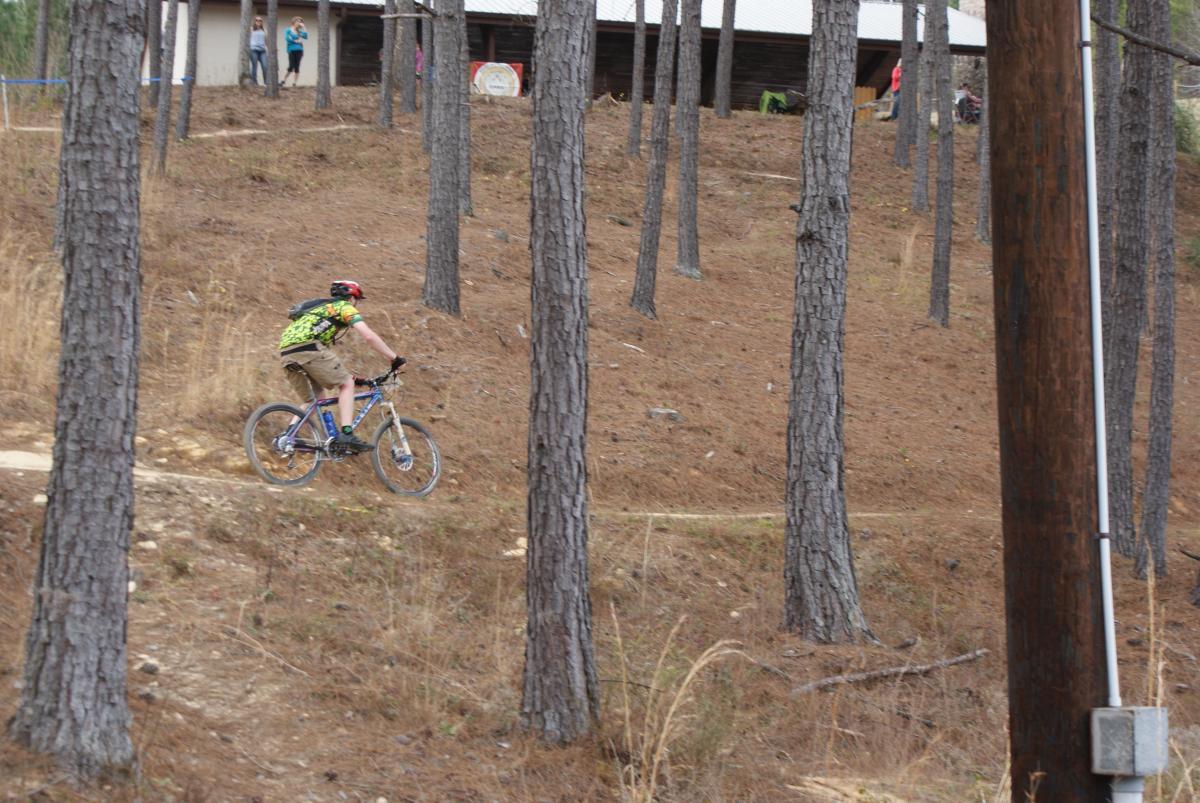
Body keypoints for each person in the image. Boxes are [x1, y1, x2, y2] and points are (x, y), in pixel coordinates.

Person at [279, 280, 405, 452]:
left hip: (286, 352)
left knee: (314, 399)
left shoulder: (319, 310)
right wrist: (394, 358)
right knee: (346, 384)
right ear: (352, 297)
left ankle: (287, 437)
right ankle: (346, 433)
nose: (357, 304)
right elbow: (368, 336)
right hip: (309, 347)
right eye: (357, 300)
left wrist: (356, 379)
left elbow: (322, 368)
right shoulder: (343, 307)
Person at [281, 16, 308, 88]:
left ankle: (294, 83)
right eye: (298, 21)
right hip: (291, 50)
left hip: (299, 50)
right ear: (294, 22)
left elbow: (306, 36)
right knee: (291, 66)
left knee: (297, 66)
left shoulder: (300, 31)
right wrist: (295, 41)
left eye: (300, 22)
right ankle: (283, 80)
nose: (299, 23)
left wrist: (304, 27)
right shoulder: (288, 30)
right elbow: (287, 38)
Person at [248, 17, 268, 86]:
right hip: (253, 50)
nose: (258, 21)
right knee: (254, 66)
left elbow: (266, 41)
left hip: (262, 50)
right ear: (254, 21)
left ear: (262, 22)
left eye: (260, 20)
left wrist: (269, 48)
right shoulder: (251, 29)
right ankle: (254, 82)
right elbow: (247, 39)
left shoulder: (264, 30)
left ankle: (266, 82)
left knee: (265, 66)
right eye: (257, 20)